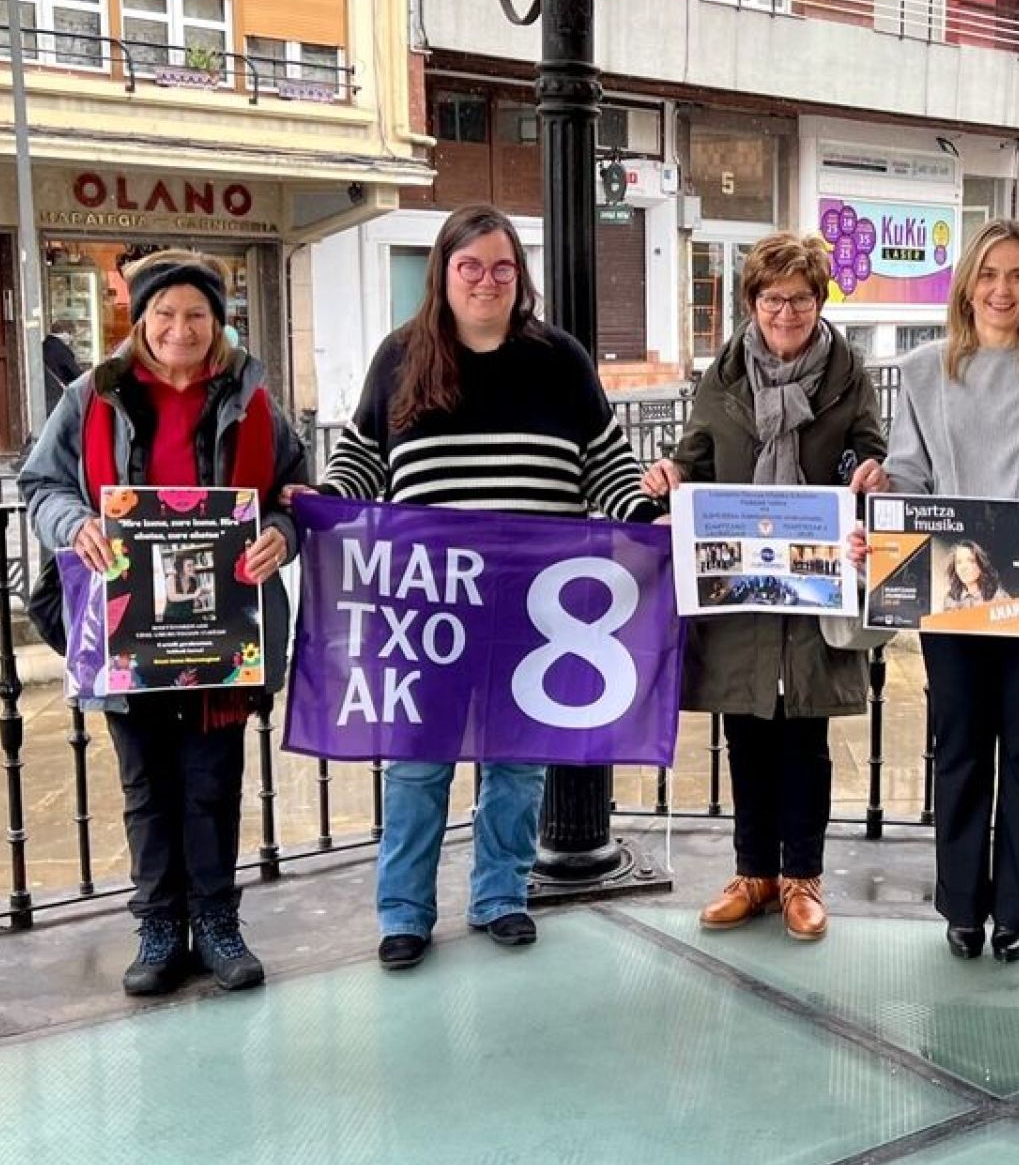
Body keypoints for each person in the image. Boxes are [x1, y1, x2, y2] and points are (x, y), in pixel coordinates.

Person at [312, 204, 658, 972]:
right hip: (425, 601)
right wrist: (325, 504)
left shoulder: (558, 359)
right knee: (417, 763)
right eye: (471, 266)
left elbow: (604, 460)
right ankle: (403, 912)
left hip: (534, 603)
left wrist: (643, 513)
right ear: (444, 272)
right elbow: (365, 461)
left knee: (516, 760)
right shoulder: (400, 357)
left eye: (502, 267)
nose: (487, 281)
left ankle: (500, 894)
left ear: (518, 277)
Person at [21, 249, 307, 996]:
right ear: (140, 319)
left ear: (218, 322)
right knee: (147, 782)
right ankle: (157, 924)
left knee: (213, 780)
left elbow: (291, 490)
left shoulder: (254, 400)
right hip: (126, 630)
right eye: (165, 314)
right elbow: (40, 482)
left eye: (197, 315)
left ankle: (216, 921)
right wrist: (73, 522)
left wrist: (282, 530)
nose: (181, 329)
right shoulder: (93, 396)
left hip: (221, 628)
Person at [642, 231, 888, 943]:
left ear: (819, 302)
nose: (787, 314)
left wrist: (870, 475)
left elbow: (869, 453)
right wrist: (671, 476)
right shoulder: (720, 381)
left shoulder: (847, 376)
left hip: (812, 586)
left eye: (802, 300)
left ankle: (802, 880)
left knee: (805, 734)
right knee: (746, 730)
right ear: (751, 302)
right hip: (741, 589)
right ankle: (753, 874)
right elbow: (693, 456)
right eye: (773, 299)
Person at [884, 217, 1019, 964]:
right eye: (988, 274)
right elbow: (908, 474)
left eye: (1016, 275)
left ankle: (1018, 910)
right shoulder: (919, 370)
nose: (1002, 289)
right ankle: (962, 905)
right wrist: (884, 496)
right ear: (967, 284)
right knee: (962, 746)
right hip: (952, 583)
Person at [945, 540, 1008, 609]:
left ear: (981, 565)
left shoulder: (998, 596)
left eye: (971, 561)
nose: (964, 567)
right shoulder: (950, 599)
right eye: (959, 562)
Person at [42, 319, 83, 411]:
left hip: (45, 395)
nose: (72, 339)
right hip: (57, 397)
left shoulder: (43, 345)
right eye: (71, 334)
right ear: (65, 333)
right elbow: (75, 373)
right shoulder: (61, 349)